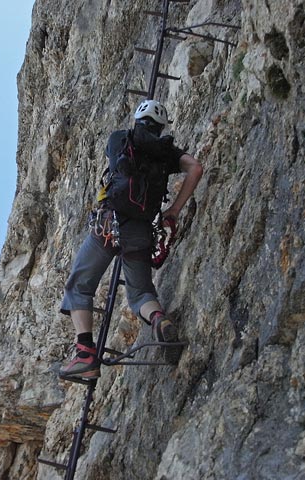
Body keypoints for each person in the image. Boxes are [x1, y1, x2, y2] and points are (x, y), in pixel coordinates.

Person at [59, 99, 203, 379]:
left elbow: (115, 169)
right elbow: (196, 168)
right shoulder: (167, 152)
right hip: (141, 231)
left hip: (109, 226)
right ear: (161, 128)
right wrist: (173, 210)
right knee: (140, 294)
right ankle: (159, 320)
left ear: (137, 119)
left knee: (79, 285)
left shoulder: (119, 139)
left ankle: (85, 355)